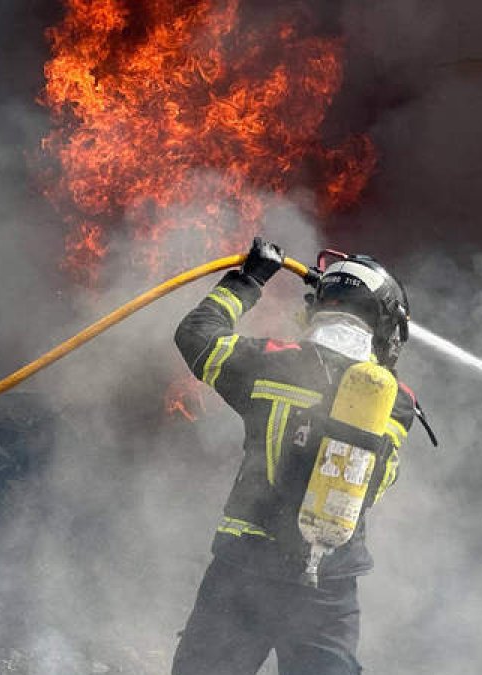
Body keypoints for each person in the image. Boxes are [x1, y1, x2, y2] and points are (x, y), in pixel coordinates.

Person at [170, 238, 423, 675]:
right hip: (328, 584)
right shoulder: (397, 400)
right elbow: (377, 481)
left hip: (245, 567)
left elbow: (196, 335)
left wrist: (247, 280)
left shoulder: (268, 363)